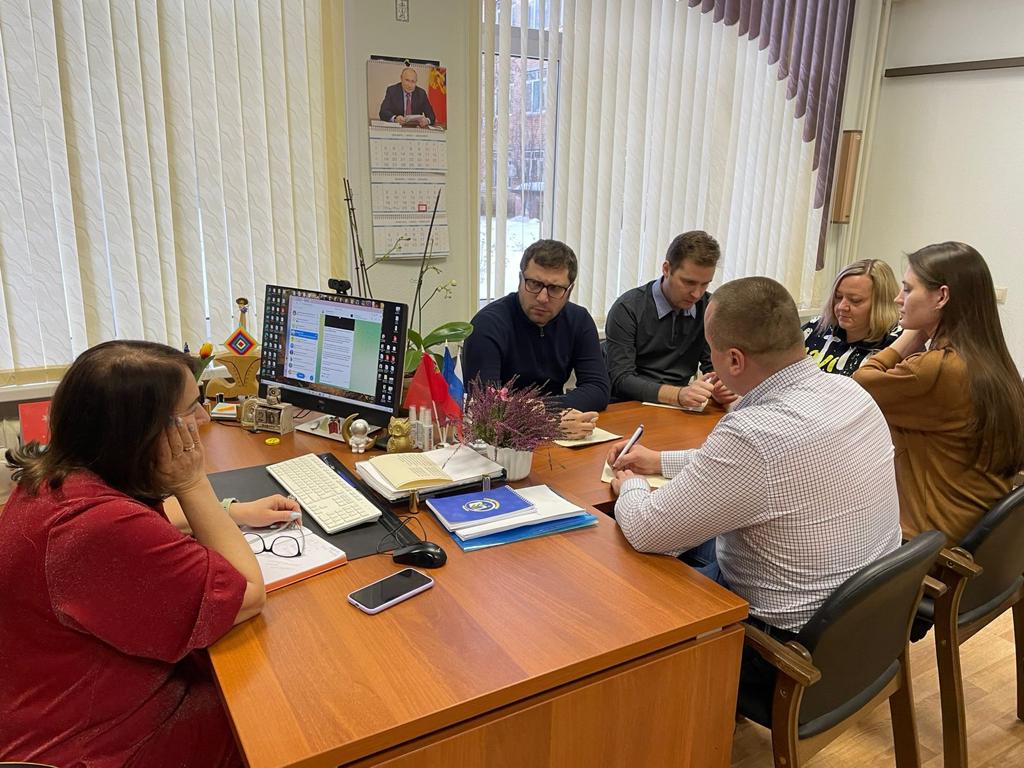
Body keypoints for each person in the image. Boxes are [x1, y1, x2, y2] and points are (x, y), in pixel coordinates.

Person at [0, 340, 300, 767]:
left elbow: (141, 517)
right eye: (192, 409)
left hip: (50, 710)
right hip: (94, 745)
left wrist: (231, 511)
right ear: (142, 432)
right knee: (285, 716)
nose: (204, 418)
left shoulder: (55, 480)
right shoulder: (96, 529)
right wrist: (193, 483)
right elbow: (248, 593)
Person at [608, 277, 901, 699]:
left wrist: (631, 485)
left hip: (783, 654)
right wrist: (660, 462)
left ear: (734, 360)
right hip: (867, 629)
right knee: (695, 547)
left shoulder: (752, 434)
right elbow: (757, 467)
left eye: (710, 349)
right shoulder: (848, 391)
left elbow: (647, 531)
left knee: (628, 579)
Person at [853, 242, 1024, 542]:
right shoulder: (996, 363)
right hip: (967, 525)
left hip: (926, 544)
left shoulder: (939, 369)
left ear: (942, 297)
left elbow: (861, 384)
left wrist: (908, 338)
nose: (897, 298)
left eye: (908, 289)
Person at [462, 239, 610, 438]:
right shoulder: (487, 324)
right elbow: (486, 407)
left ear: (569, 291)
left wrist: (544, 409)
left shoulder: (578, 320)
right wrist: (550, 419)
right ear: (520, 279)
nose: (542, 297)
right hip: (501, 441)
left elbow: (598, 389)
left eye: (555, 288)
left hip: (561, 435)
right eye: (534, 284)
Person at [605, 230, 736, 407]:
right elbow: (621, 379)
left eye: (705, 284)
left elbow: (713, 366)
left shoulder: (709, 308)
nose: (697, 294)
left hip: (680, 405)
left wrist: (719, 388)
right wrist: (678, 395)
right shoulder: (628, 308)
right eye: (688, 282)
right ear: (666, 269)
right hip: (628, 404)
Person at [802, 259, 901, 376]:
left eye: (855, 300)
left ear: (882, 304)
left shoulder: (898, 345)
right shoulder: (816, 327)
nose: (841, 307)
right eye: (838, 297)